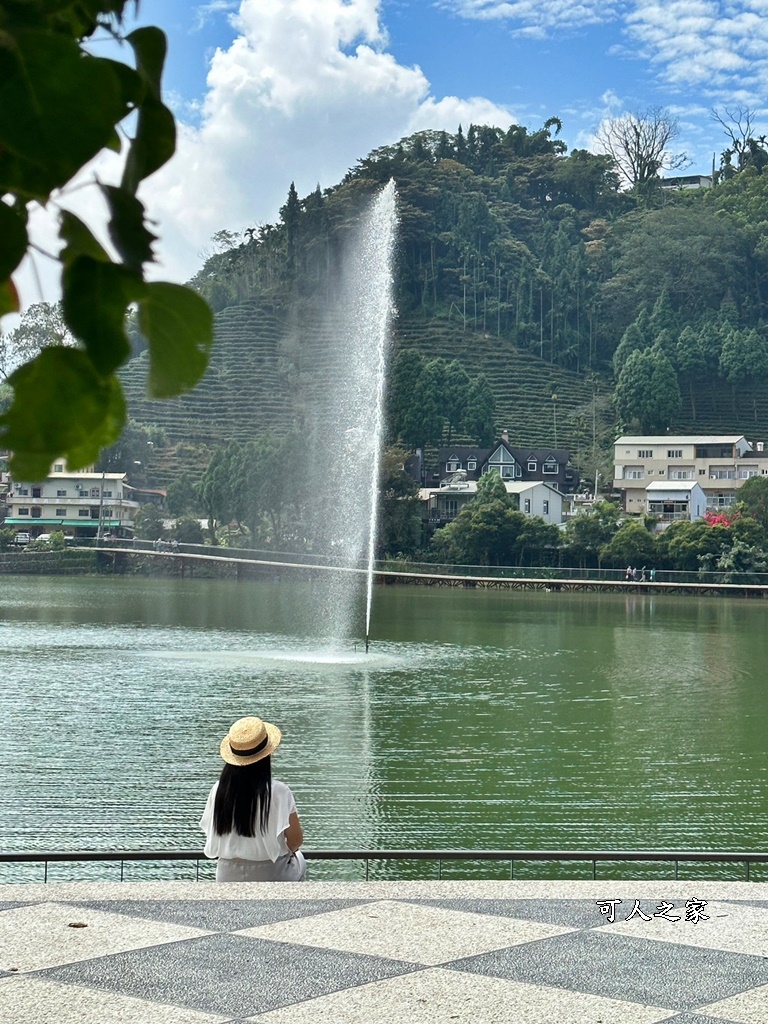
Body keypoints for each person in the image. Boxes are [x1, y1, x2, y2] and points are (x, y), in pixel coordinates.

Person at [200, 715, 306, 881]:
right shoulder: (279, 791)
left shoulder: (219, 789)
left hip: (226, 874)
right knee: (300, 860)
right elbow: (295, 840)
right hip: (272, 873)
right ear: (266, 755)